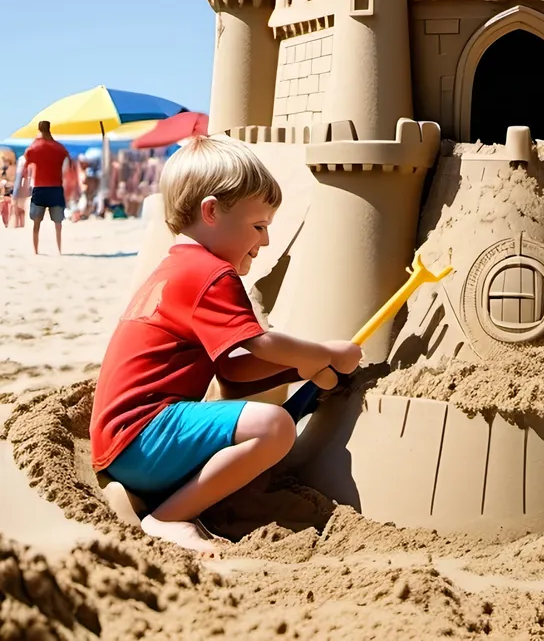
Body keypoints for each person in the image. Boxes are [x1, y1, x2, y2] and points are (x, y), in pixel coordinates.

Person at [90, 134, 361, 555]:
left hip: (119, 446)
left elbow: (233, 369)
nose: (266, 241)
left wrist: (300, 370)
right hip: (143, 437)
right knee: (275, 427)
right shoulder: (212, 273)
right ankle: (168, 517)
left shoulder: (175, 267)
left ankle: (157, 499)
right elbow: (259, 343)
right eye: (259, 226)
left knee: (256, 421)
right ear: (212, 211)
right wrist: (326, 353)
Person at [23, 122, 72, 254]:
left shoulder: (34, 147)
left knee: (36, 224)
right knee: (58, 224)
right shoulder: (59, 148)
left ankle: (36, 251)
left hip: (40, 188)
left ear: (39, 129)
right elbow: (69, 164)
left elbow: (26, 165)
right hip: (56, 187)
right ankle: (59, 250)